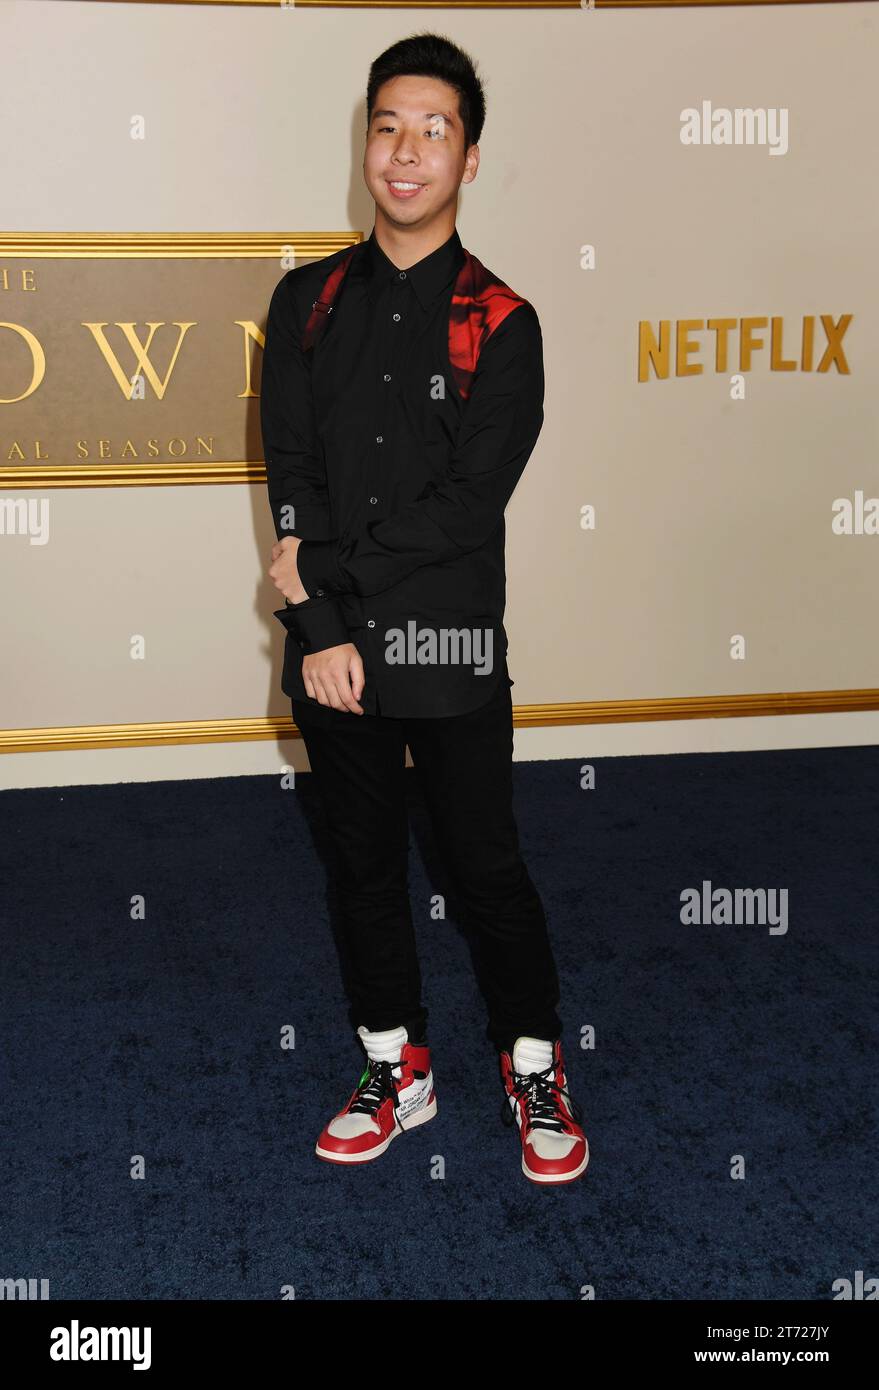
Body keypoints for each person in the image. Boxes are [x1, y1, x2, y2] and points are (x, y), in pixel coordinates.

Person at [260, 32, 588, 1185]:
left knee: (483, 863)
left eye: (434, 130)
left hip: (447, 645)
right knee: (359, 864)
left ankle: (534, 1060)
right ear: (367, 143)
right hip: (333, 654)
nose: (406, 151)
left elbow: (462, 507)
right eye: (388, 126)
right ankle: (393, 1062)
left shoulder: (504, 322)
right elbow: (289, 473)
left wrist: (323, 587)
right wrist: (319, 634)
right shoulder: (305, 302)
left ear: (471, 158)